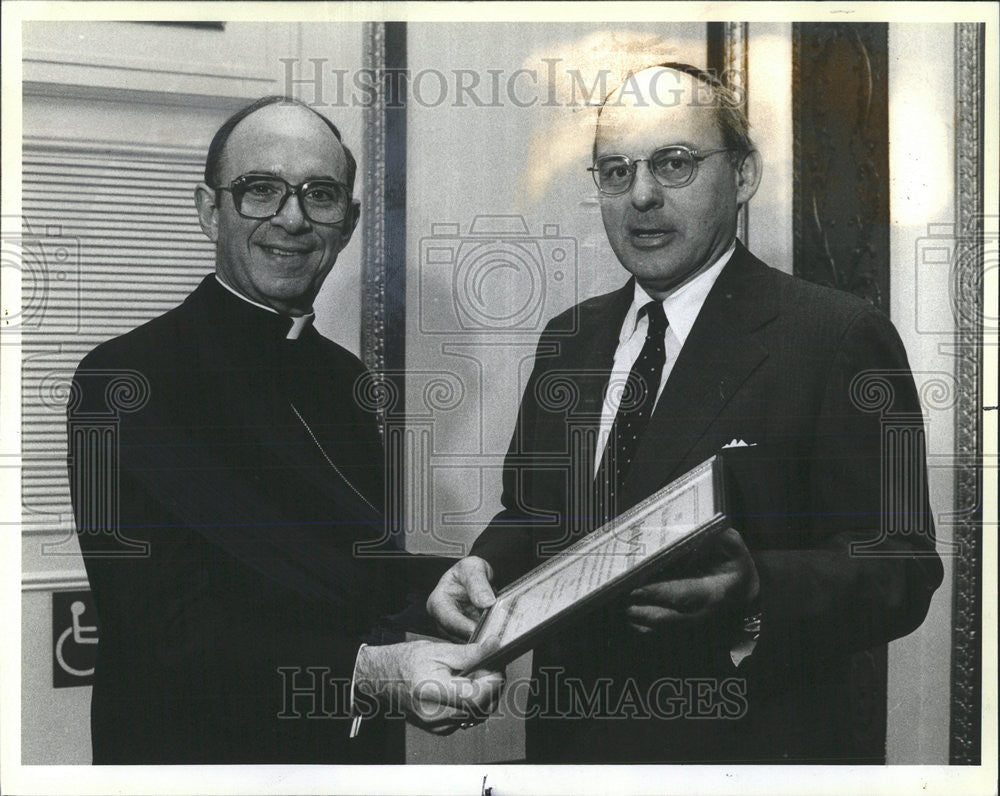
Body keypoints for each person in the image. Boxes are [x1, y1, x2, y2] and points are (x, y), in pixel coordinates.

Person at [427, 64, 943, 763]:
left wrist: (758, 584)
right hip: (570, 750)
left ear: (744, 175)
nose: (641, 196)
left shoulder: (838, 336)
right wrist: (481, 568)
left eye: (674, 164)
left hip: (747, 755)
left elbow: (902, 567)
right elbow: (533, 515)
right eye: (615, 172)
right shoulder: (569, 340)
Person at [68, 96, 501, 764]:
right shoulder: (125, 378)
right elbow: (168, 629)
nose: (292, 219)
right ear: (209, 209)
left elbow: (344, 569)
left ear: (348, 222)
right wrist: (371, 673)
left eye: (319, 195)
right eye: (260, 190)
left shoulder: (343, 377)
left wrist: (434, 586)